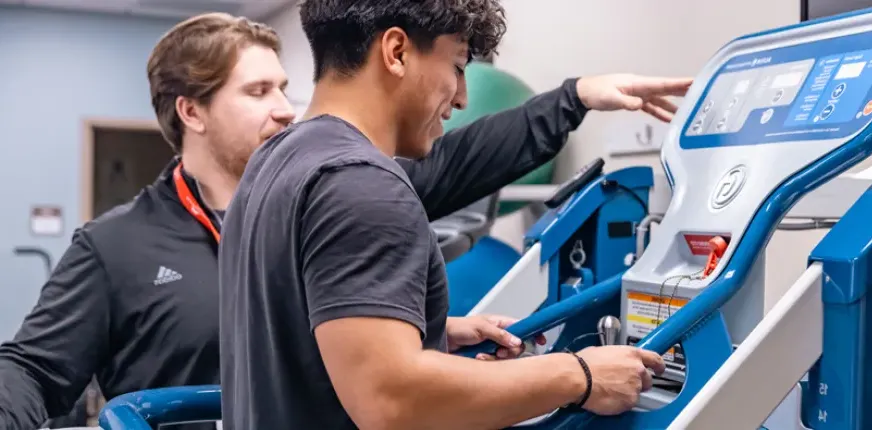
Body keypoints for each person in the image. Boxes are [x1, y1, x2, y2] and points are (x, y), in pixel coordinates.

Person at [217, 1, 693, 429]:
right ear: (397, 52)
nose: (463, 96)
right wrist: (581, 375)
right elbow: (392, 399)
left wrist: (425, 332)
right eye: (457, 66)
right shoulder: (360, 185)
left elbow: (299, 333)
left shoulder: (278, 161)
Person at [0, 13, 294, 430]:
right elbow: (32, 369)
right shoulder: (114, 246)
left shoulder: (315, 217)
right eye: (259, 92)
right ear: (192, 112)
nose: (285, 110)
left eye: (283, 89)